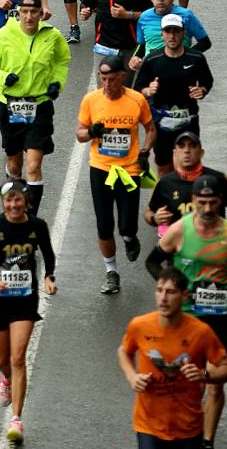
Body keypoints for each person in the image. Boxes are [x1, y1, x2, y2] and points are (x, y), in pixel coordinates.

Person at [146, 176, 227, 447]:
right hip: (186, 316)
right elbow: (152, 262)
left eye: (213, 203)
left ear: (221, 203)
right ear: (193, 201)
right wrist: (170, 289)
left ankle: (207, 441)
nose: (207, 208)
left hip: (220, 316)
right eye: (202, 202)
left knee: (215, 380)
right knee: (185, 378)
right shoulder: (179, 230)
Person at [0, 181, 57, 444]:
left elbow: (49, 255)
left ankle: (16, 418)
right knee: (3, 361)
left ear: (26, 201)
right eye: (8, 201)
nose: (13, 205)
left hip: (25, 300)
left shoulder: (37, 226)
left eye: (18, 200)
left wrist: (49, 277)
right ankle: (6, 379)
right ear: (3, 202)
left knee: (18, 358)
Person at [117, 265, 227, 449]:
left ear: (184, 296)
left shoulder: (201, 332)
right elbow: (124, 351)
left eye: (170, 292)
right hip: (149, 425)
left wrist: (204, 375)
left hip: (188, 427)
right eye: (159, 291)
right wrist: (132, 377)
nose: (163, 298)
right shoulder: (139, 326)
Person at [0, 0, 71, 212]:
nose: (29, 17)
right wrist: (3, 78)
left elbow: (62, 60)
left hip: (40, 105)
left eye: (33, 12)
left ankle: (31, 217)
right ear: (19, 12)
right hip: (11, 106)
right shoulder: (4, 35)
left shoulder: (52, 36)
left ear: (41, 13)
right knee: (15, 163)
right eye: (24, 12)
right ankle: (14, 199)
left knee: (34, 165)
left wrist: (57, 83)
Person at [77, 54, 156, 294]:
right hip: (101, 168)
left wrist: (145, 151)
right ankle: (111, 272)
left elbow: (150, 129)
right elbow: (79, 134)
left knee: (126, 226)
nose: (107, 84)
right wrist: (91, 132)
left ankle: (131, 239)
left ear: (122, 76)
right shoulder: (91, 100)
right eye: (103, 79)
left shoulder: (136, 100)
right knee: (104, 225)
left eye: (111, 79)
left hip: (128, 170)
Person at [134, 16, 214, 174]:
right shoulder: (152, 60)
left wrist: (202, 90)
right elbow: (138, 87)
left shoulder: (196, 58)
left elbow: (207, 81)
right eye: (168, 31)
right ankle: (164, 197)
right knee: (164, 167)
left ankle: (188, 197)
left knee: (189, 166)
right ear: (162, 34)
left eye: (176, 31)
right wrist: (148, 90)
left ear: (183, 33)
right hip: (161, 124)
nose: (172, 36)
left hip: (188, 121)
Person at [145, 132, 227, 235]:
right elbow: (148, 212)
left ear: (201, 152)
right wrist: (154, 218)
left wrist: (226, 235)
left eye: (193, 146)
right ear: (175, 153)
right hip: (180, 246)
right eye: (182, 146)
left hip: (212, 245)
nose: (187, 150)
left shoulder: (218, 179)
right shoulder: (164, 183)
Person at [130, 0, 211, 71]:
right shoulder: (144, 17)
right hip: (152, 68)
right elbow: (142, 44)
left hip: (180, 68)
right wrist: (135, 57)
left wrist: (186, 57)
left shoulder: (186, 15)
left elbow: (205, 42)